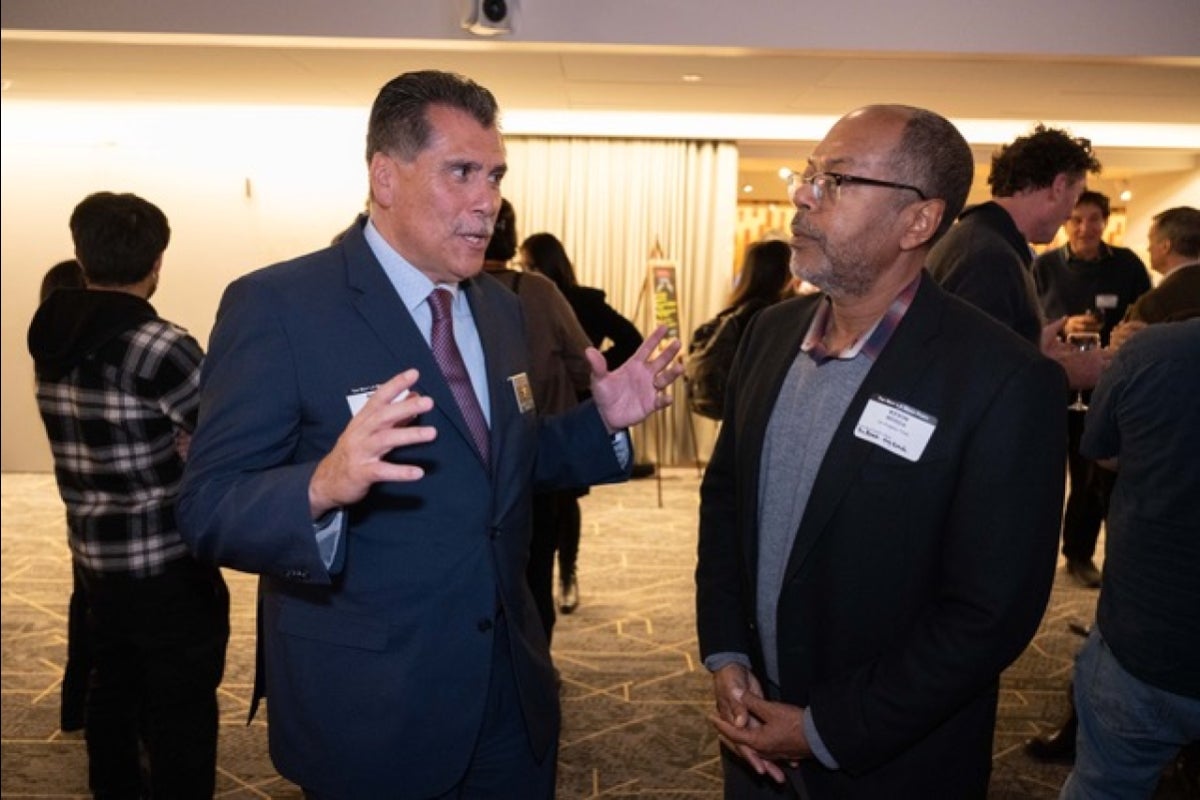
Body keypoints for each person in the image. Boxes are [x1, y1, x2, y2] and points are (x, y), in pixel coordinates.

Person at [176, 70, 682, 799]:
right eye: (462, 173)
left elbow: (501, 467)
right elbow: (207, 507)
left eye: (496, 176)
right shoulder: (280, 306)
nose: (488, 202)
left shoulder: (500, 311)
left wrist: (598, 423)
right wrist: (319, 486)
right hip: (373, 704)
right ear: (386, 177)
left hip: (509, 692)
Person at [695, 104, 1067, 798]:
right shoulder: (770, 335)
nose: (803, 195)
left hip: (891, 758)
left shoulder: (1003, 380)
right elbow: (725, 505)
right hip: (752, 736)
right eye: (808, 175)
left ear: (918, 222)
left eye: (835, 180)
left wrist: (824, 728)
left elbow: (990, 611)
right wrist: (725, 651)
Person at [26, 192, 230, 798]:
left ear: (80, 255)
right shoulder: (160, 345)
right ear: (157, 262)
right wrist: (189, 444)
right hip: (166, 559)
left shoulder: (51, 340)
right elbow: (226, 435)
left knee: (111, 690)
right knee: (182, 705)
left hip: (94, 558)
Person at [1059, 317, 1200, 800]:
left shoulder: (1150, 351)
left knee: (1106, 787)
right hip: (1148, 641)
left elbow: (1100, 451)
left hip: (1145, 643)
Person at [482, 198, 593, 643]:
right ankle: (534, 673)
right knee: (534, 570)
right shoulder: (539, 292)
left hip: (467, 463)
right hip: (535, 459)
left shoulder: (439, 286)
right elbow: (584, 362)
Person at [518, 230, 646, 612]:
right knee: (556, 506)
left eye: (525, 264)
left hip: (569, 412)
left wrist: (596, 377)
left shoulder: (572, 300)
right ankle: (563, 577)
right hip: (548, 416)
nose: (521, 271)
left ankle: (566, 574)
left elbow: (631, 338)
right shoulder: (506, 297)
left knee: (560, 501)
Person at [927, 123, 1109, 391]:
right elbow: (976, 376)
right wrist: (1063, 373)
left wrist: (1034, 349)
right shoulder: (991, 257)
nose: (1070, 212)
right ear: (1059, 186)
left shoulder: (975, 238)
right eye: (1076, 195)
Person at [1031, 190, 1151, 588]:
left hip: (1108, 384)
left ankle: (1079, 555)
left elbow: (1145, 315)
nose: (1086, 228)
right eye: (1077, 219)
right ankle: (1031, 556)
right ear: (1066, 222)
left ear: (1105, 220)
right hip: (1053, 383)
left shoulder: (1128, 265)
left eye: (1094, 219)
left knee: (1092, 476)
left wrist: (1126, 331)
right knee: (1042, 474)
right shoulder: (1044, 266)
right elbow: (1028, 319)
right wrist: (1064, 327)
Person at [36, 258, 93, 734]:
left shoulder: (51, 356)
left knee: (88, 606)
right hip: (131, 528)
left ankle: (76, 705)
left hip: (81, 509)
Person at [686, 238, 794, 419]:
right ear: (785, 274)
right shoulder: (782, 318)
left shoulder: (734, 314)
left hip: (733, 414)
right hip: (763, 416)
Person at [1111, 205, 1200, 348]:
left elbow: (1133, 362)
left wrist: (1117, 345)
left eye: (1151, 240)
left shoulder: (1152, 305)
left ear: (1166, 246)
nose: (1148, 248)